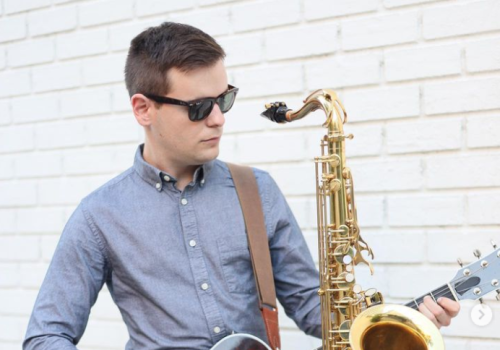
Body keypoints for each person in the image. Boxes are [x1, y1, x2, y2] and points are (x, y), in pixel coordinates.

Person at [23, 22, 460, 350]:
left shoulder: (257, 191)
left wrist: (400, 320)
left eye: (224, 99)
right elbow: (46, 336)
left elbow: (315, 309)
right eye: (199, 107)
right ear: (143, 109)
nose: (218, 119)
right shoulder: (100, 215)